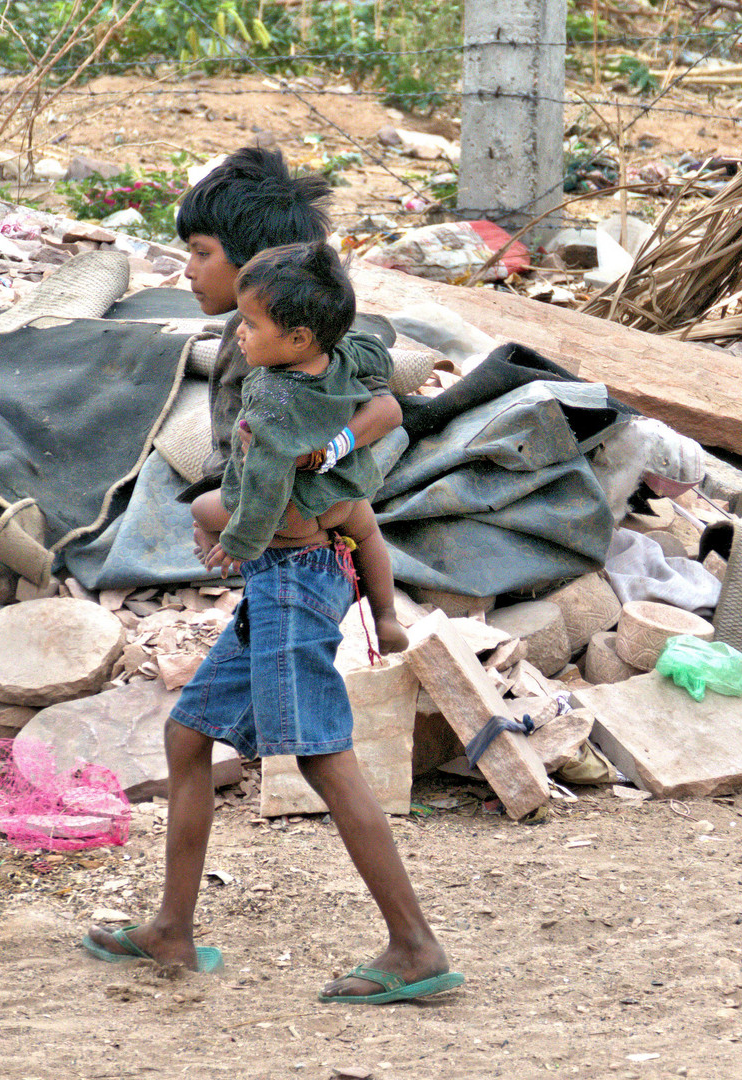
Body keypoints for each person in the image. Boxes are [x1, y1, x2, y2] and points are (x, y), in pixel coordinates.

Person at [83, 242, 461, 1005]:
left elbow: (264, 503)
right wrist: (343, 447)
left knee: (323, 757)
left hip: (293, 581)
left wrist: (230, 539)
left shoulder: (276, 401)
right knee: (187, 736)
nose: (240, 337)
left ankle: (415, 946)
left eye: (252, 325)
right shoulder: (342, 356)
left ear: (295, 337)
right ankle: (172, 931)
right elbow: (388, 399)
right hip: (290, 583)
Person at [177, 146, 407, 652]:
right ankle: (385, 614)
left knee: (201, 511)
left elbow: (384, 408)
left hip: (286, 499)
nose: (187, 271)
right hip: (337, 492)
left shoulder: (272, 352)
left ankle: (288, 548)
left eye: (201, 251)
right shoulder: (272, 331)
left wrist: (325, 452)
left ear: (257, 263)